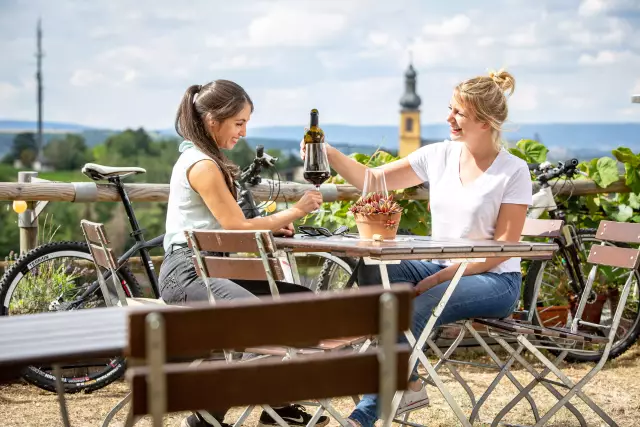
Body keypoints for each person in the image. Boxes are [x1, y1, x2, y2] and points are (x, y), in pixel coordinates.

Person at [301, 69, 532, 426]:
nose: (448, 118)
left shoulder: (513, 171)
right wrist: (327, 152)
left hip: (494, 280)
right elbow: (372, 181)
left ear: (485, 122)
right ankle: (407, 380)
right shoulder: (437, 156)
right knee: (371, 268)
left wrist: (439, 277)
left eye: (458, 112)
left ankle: (363, 416)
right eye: (450, 108)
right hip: (438, 270)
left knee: (416, 306)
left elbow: (499, 251)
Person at [159, 79, 328, 427]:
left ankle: (274, 406)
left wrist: (270, 224)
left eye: (246, 122)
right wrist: (295, 211)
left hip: (211, 270)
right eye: (239, 122)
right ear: (212, 120)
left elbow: (228, 225)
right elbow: (235, 226)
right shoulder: (202, 165)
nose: (244, 131)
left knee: (302, 302)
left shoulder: (206, 159)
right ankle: (215, 418)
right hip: (188, 274)